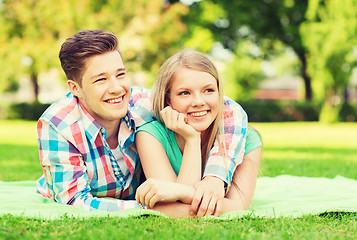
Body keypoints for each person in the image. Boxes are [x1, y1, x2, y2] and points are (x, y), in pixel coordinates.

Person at [36, 29, 248, 213]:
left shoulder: (140, 104)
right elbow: (74, 202)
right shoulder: (57, 125)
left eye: (120, 75)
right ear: (75, 88)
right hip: (116, 199)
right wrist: (154, 208)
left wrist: (215, 177)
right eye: (101, 79)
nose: (117, 88)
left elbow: (228, 109)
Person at [135, 50, 262, 217]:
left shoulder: (247, 140)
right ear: (168, 99)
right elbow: (168, 206)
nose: (199, 102)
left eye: (208, 90)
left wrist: (184, 193)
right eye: (184, 93)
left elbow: (238, 206)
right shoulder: (150, 135)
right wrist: (192, 139)